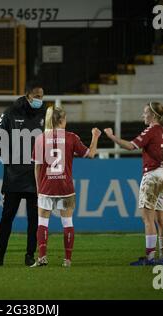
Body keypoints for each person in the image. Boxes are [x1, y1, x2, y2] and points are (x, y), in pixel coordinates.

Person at [31, 104, 101, 267]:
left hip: (46, 187)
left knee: (42, 222)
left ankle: (42, 258)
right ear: (62, 120)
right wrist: (95, 136)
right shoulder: (71, 137)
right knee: (67, 223)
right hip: (65, 187)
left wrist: (38, 188)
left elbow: (37, 167)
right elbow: (90, 154)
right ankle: (67, 260)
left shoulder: (41, 138)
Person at [104, 101, 163, 266]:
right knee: (161, 219)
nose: (143, 115)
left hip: (153, 176)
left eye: (145, 113)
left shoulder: (152, 130)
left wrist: (112, 136)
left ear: (153, 115)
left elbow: (130, 146)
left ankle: (149, 259)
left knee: (147, 219)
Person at [0, 81, 46, 267]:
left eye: (42, 97)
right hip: (13, 176)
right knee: (6, 218)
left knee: (34, 220)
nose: (40, 100)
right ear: (28, 96)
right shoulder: (10, 113)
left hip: (35, 177)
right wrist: (8, 158)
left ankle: (30, 256)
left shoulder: (45, 115)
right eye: (37, 97)